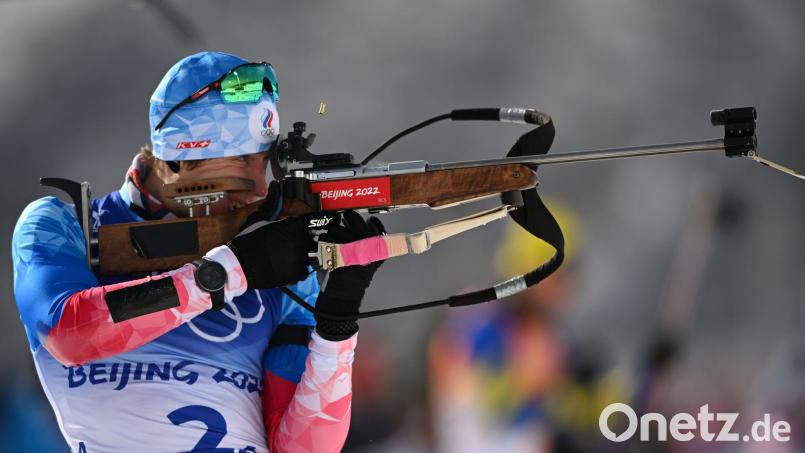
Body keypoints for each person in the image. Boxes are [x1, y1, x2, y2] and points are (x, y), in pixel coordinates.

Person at [11, 51, 383, 452]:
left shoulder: (277, 261)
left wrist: (337, 330)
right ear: (182, 157)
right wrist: (226, 275)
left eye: (264, 162)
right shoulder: (65, 227)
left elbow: (302, 448)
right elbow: (69, 334)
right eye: (242, 160)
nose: (260, 188)